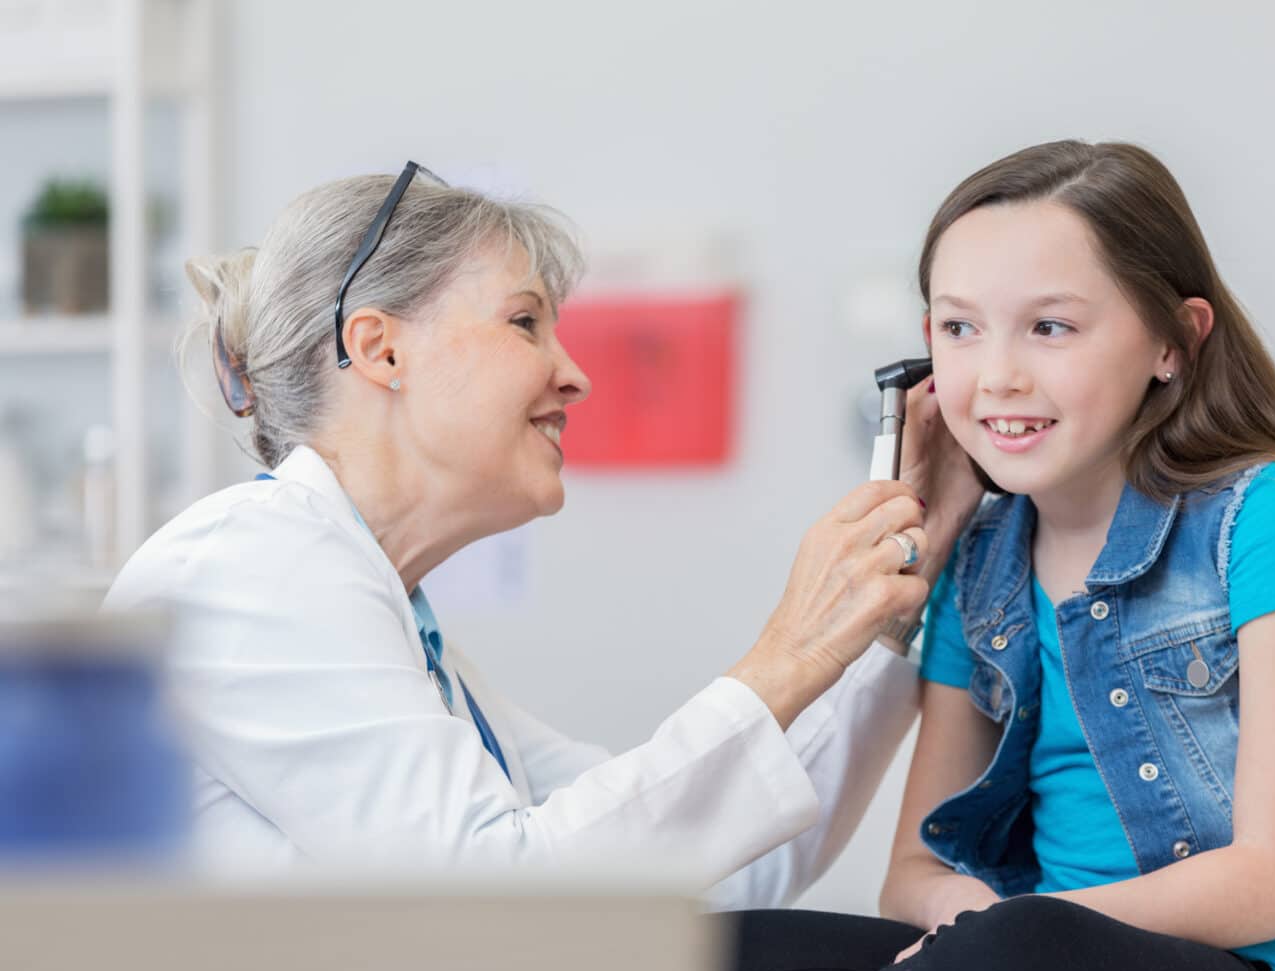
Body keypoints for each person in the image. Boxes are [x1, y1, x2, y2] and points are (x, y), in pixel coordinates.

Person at [103, 162, 980, 909]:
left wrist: (889, 606)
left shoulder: (398, 629)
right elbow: (496, 897)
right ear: (379, 350)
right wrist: (790, 647)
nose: (576, 375)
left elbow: (715, 871)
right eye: (525, 322)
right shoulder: (247, 569)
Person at [732, 140, 1275, 971]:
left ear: (1174, 343)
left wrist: (995, 934)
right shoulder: (982, 560)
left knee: (1018, 953)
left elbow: (1273, 884)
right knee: (730, 953)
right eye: (960, 328)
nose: (998, 376)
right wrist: (963, 925)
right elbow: (910, 877)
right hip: (1023, 962)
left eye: (1050, 327)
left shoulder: (1265, 519)